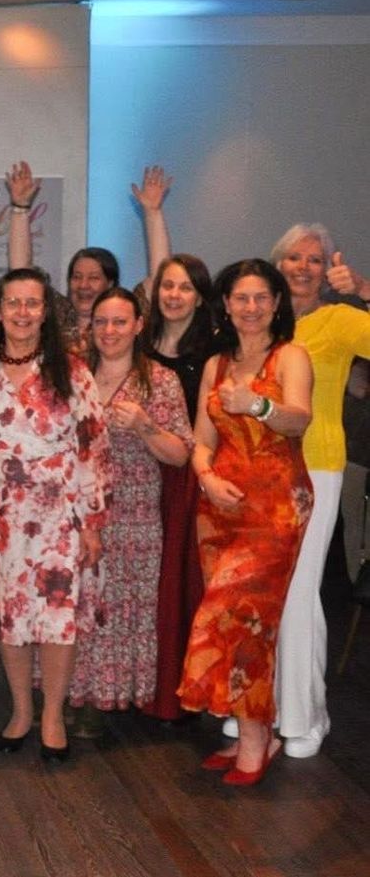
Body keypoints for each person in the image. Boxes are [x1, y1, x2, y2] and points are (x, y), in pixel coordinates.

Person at [180, 259, 313, 785]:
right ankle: (256, 733)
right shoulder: (215, 364)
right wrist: (207, 478)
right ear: (227, 305)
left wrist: (257, 404)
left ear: (276, 303)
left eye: (262, 298)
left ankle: (255, 740)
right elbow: (200, 440)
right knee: (243, 625)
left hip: (277, 506)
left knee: (233, 615)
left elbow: (299, 418)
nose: (252, 307)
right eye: (242, 298)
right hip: (219, 505)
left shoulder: (290, 356)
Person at [0, 267, 110, 763]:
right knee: (10, 616)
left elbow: (94, 446)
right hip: (0, 509)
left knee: (55, 618)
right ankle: (20, 710)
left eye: (33, 303)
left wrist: (92, 520)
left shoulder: (70, 369)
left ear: (45, 311)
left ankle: (52, 716)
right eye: (13, 303)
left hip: (59, 511)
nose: (23, 313)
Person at [67, 288, 192, 737]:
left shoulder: (159, 381)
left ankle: (103, 699)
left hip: (133, 513)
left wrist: (143, 425)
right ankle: (69, 691)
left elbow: (179, 454)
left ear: (139, 325)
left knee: (117, 610)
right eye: (101, 322)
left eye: (120, 322)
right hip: (78, 513)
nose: (109, 331)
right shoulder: (74, 375)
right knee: (78, 605)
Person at [267, 226, 370, 758]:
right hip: (258, 473)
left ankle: (303, 718)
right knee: (274, 596)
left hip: (317, 466)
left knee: (300, 591)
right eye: (293, 257)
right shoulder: (262, 316)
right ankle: (280, 709)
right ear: (277, 262)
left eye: (313, 259)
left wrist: (367, 291)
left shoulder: (339, 318)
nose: (303, 267)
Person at [132, 166, 219, 722]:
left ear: (199, 297)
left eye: (185, 287)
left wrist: (155, 212)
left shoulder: (210, 348)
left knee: (182, 585)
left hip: (184, 476)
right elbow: (155, 268)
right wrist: (153, 214)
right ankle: (144, 685)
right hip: (137, 474)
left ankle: (184, 694)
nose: (173, 293)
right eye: (167, 285)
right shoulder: (139, 340)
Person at [5, 160, 120, 355]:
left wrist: (152, 212)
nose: (83, 285)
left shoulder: (121, 319)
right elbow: (21, 273)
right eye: (76, 277)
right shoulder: (57, 313)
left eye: (93, 278)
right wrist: (20, 207)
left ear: (110, 284)